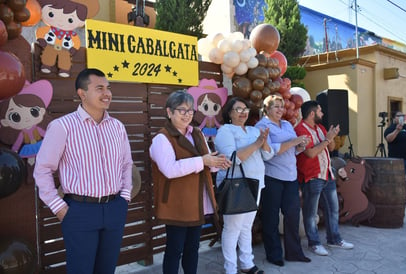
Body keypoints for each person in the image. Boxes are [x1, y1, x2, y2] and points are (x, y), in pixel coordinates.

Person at [34, 68, 133, 274]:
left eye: (108, 88)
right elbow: (43, 169)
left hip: (114, 208)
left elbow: (126, 164)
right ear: (82, 93)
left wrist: (124, 198)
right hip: (79, 211)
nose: (107, 93)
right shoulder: (62, 126)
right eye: (99, 88)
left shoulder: (117, 127)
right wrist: (59, 208)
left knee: (106, 270)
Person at [149, 90, 231, 274]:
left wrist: (218, 163)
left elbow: (207, 160)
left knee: (192, 248)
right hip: (177, 202)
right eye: (182, 110)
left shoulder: (197, 133)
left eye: (190, 111)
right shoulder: (162, 138)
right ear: (169, 112)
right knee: (174, 250)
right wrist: (203, 161)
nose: (187, 115)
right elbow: (169, 169)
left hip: (197, 201)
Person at [214, 97, 274, 274]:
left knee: (246, 226)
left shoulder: (254, 130)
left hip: (256, 184)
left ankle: (247, 264)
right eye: (238, 109)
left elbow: (268, 156)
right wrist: (256, 143)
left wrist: (264, 142)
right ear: (229, 113)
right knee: (232, 228)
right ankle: (230, 268)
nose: (243, 112)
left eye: (245, 109)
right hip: (237, 185)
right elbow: (232, 159)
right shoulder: (225, 130)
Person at [254, 95, 311, 266]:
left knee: (293, 216)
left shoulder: (286, 124)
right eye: (276, 106)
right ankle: (274, 254)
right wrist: (294, 141)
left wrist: (300, 146)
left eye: (281, 106)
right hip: (272, 177)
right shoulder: (262, 126)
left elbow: (293, 150)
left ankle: (294, 252)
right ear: (267, 109)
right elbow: (270, 151)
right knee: (271, 218)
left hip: (291, 177)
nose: (280, 110)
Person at [294, 100, 354, 256]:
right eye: (320, 111)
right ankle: (314, 243)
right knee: (310, 213)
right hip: (312, 177)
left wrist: (332, 136)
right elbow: (311, 153)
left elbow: (331, 148)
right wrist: (327, 139)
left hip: (327, 173)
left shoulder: (320, 127)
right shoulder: (300, 129)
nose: (323, 113)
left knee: (333, 209)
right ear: (312, 113)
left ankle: (334, 240)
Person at [384, 112, 406, 178]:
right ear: (394, 118)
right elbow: (389, 139)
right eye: (399, 116)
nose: (401, 117)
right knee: (397, 178)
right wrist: (397, 130)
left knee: (405, 178)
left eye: (403, 115)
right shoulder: (390, 128)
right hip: (397, 159)